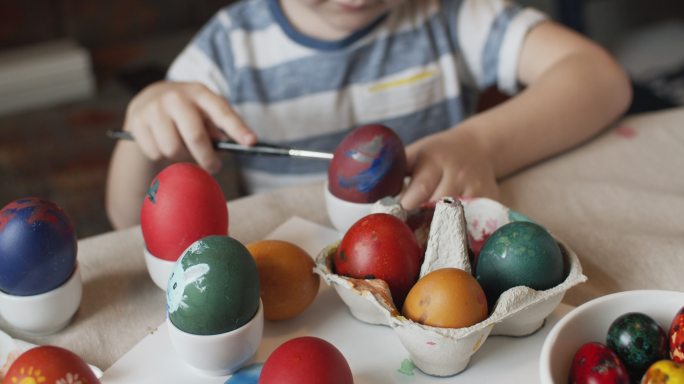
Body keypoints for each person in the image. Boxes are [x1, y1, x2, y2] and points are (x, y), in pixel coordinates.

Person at [106, 0, 632, 230]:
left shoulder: (446, 15)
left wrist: (482, 143)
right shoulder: (228, 49)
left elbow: (600, 78)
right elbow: (128, 220)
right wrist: (146, 117)